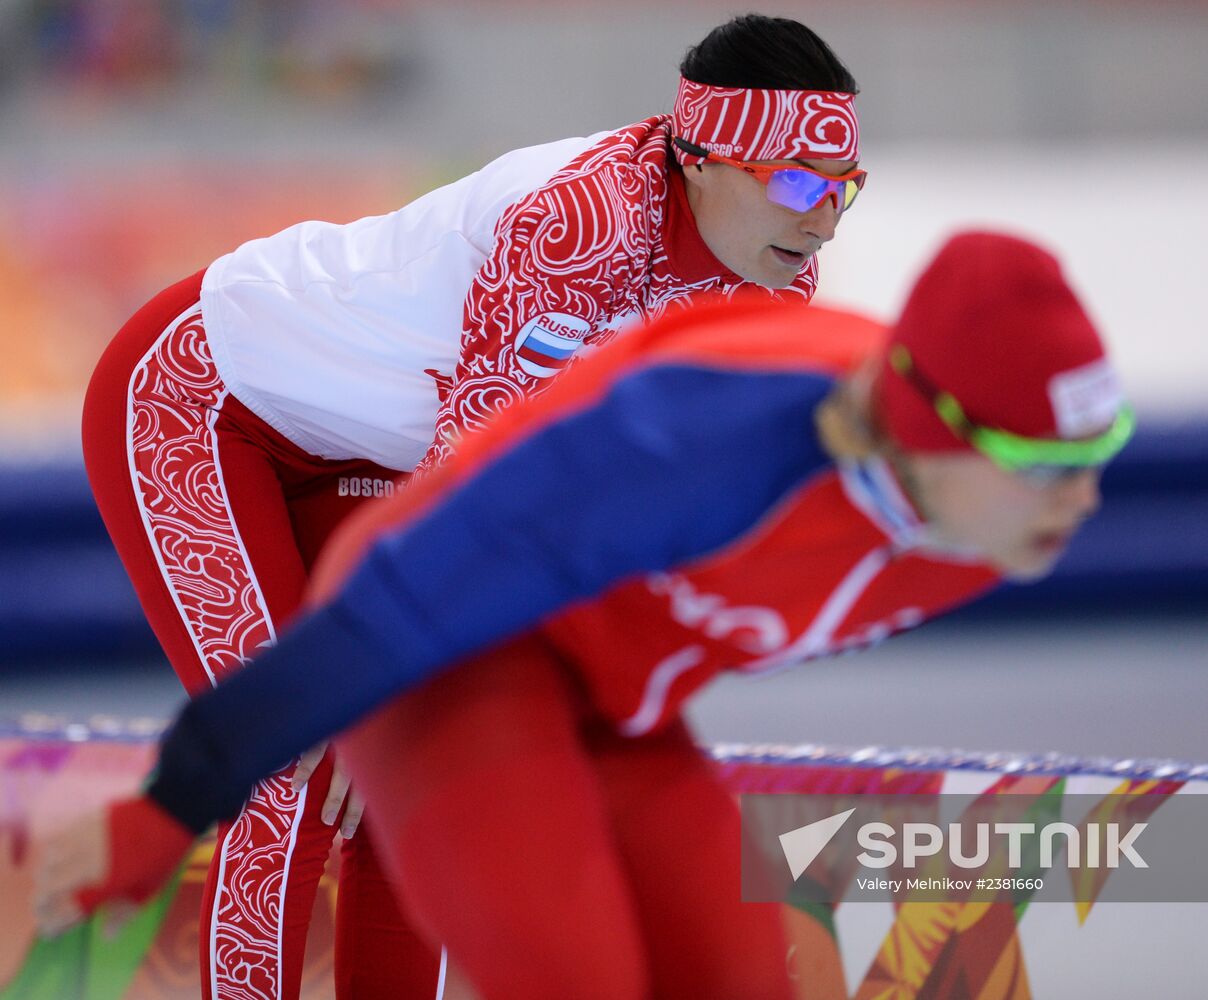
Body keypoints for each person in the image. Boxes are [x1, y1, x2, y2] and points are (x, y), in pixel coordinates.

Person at [43, 231, 1134, 999]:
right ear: (925, 428)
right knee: (577, 980)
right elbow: (401, 606)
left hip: (613, 693)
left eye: (1099, 453)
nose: (1082, 498)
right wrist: (172, 803)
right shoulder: (697, 443)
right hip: (449, 651)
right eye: (1046, 464)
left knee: (739, 981)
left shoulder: (991, 522)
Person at [76, 13, 862, 1000]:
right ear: (699, 160)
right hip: (202, 402)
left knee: (419, 770)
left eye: (844, 188)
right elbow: (479, 485)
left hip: (376, 454)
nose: (823, 219)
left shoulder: (775, 283)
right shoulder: (581, 226)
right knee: (299, 757)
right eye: (796, 183)